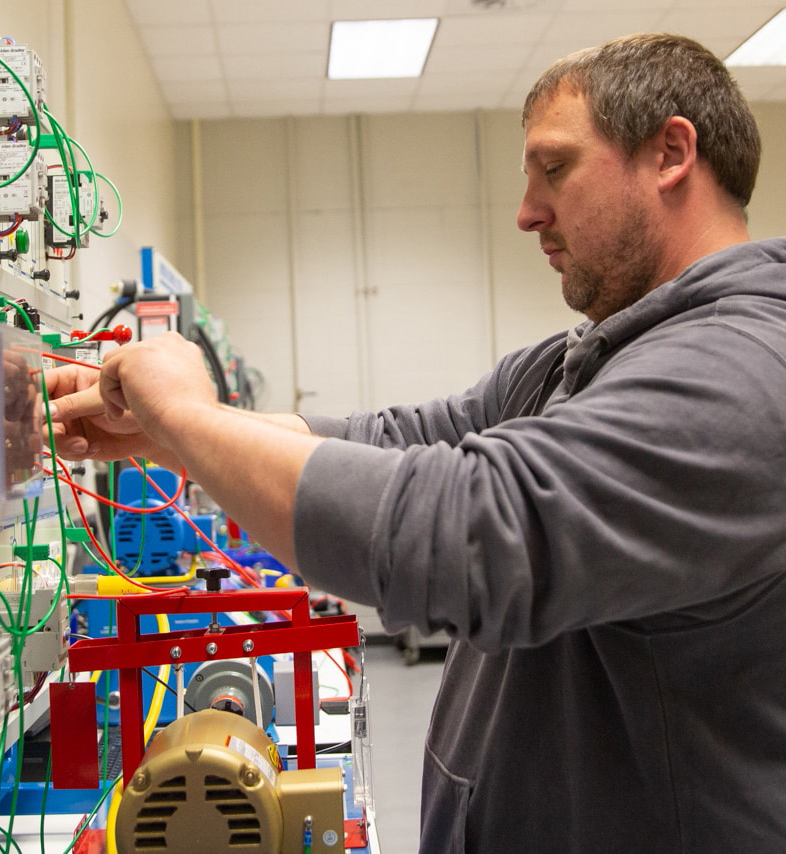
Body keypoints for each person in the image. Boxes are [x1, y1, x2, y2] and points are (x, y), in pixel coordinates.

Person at [46, 33, 786, 853]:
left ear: (670, 154)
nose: (527, 210)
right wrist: (167, 430)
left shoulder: (742, 373)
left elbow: (460, 528)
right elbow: (399, 440)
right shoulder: (583, 360)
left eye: (556, 168)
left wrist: (187, 416)